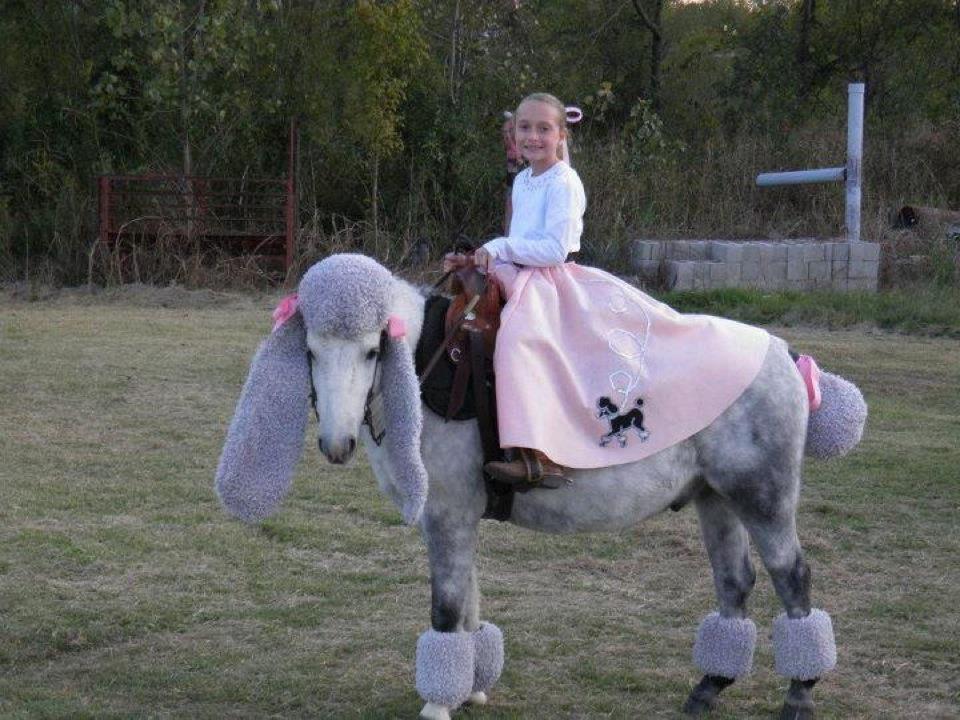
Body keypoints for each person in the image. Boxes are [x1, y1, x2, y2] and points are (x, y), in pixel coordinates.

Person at [476, 92, 771, 486]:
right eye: (524, 128)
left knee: (519, 342)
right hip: (522, 274)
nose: (532, 136)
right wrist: (488, 258)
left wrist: (501, 247)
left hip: (551, 280)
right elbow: (521, 238)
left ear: (561, 135)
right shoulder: (523, 182)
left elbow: (554, 248)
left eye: (543, 129)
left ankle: (539, 456)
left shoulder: (564, 182)